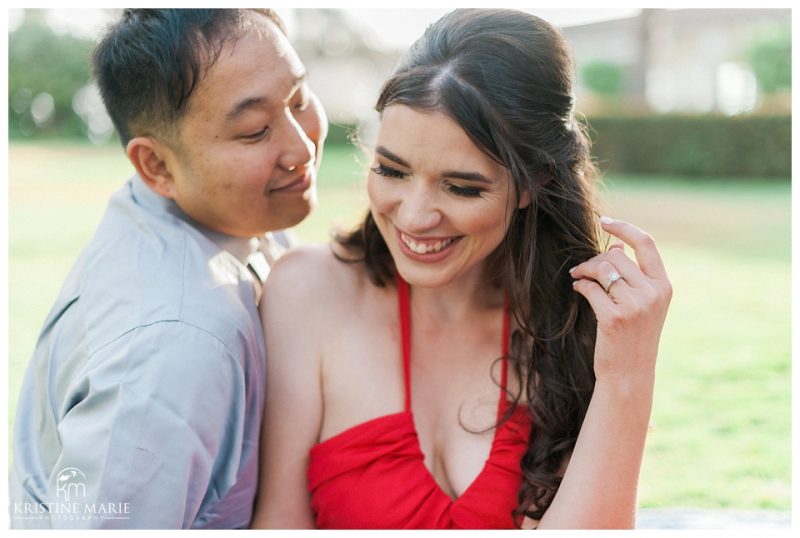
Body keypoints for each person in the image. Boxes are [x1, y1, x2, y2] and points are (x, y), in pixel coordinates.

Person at [252, 8, 671, 530]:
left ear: (532, 182)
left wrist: (626, 376)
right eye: (391, 169)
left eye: (462, 187)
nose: (413, 216)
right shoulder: (306, 293)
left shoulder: (573, 324)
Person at [10, 9, 327, 529]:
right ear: (156, 166)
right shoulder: (177, 342)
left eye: (298, 99)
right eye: (254, 131)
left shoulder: (234, 212)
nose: (301, 147)